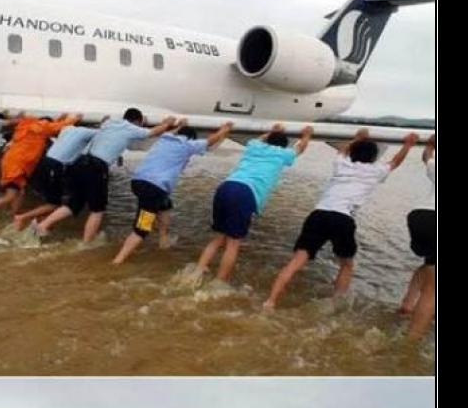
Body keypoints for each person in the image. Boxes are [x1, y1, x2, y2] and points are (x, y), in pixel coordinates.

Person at [264, 129, 419, 309]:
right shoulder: (376, 171)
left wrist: (357, 137)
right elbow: (395, 162)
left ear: (352, 152)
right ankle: (336, 303)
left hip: (319, 214)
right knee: (346, 264)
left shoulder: (342, 164)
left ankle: (270, 301)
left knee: (297, 261)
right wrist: (408, 145)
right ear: (374, 157)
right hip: (342, 219)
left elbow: (343, 151)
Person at [35, 109, 178, 244]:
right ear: (137, 122)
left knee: (74, 203)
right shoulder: (130, 128)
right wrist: (167, 123)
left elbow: (106, 124)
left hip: (81, 162)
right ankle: (86, 243)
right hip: (98, 168)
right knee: (98, 210)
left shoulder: (111, 123)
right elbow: (153, 132)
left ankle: (43, 225)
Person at [194, 124, 314, 285]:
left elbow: (260, 138)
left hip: (226, 186)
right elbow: (301, 147)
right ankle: (219, 282)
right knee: (233, 243)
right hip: (246, 193)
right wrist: (307, 135)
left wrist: (273, 131)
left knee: (218, 238)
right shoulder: (283, 154)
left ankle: (197, 272)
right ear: (284, 145)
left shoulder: (254, 146)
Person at [111, 121, 234, 266]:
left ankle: (163, 241)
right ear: (191, 139)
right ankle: (117, 261)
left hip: (138, 182)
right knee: (142, 228)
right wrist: (224, 129)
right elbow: (210, 141)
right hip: (154, 188)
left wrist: (180, 125)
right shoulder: (187, 145)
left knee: (165, 205)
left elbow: (175, 132)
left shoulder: (164, 138)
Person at [0, 113, 81, 220]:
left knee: (20, 192)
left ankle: (13, 215)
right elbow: (57, 127)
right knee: (10, 195)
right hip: (17, 166)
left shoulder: (29, 125)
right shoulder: (42, 127)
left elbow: (53, 126)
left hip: (12, 162)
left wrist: (62, 117)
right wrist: (73, 118)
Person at [13, 121, 101, 230]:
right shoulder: (90, 132)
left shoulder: (68, 129)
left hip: (45, 162)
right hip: (55, 166)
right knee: (54, 203)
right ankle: (22, 217)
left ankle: (39, 224)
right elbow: (105, 136)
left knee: (54, 199)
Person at [399, 134, 436, 339]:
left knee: (430, 263)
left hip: (420, 216)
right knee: (433, 290)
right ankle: (412, 340)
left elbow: (426, 156)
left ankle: (408, 303)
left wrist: (431, 143)